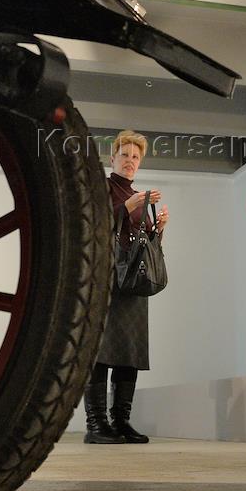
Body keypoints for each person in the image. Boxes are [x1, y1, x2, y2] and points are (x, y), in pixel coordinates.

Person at [84, 130, 169, 445]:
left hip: (132, 285)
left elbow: (139, 244)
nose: (130, 161)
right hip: (105, 281)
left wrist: (158, 229)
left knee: (129, 353)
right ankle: (96, 424)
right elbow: (93, 226)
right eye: (125, 155)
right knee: (101, 351)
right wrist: (126, 206)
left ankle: (121, 420)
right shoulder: (102, 188)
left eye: (135, 157)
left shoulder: (138, 196)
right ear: (113, 159)